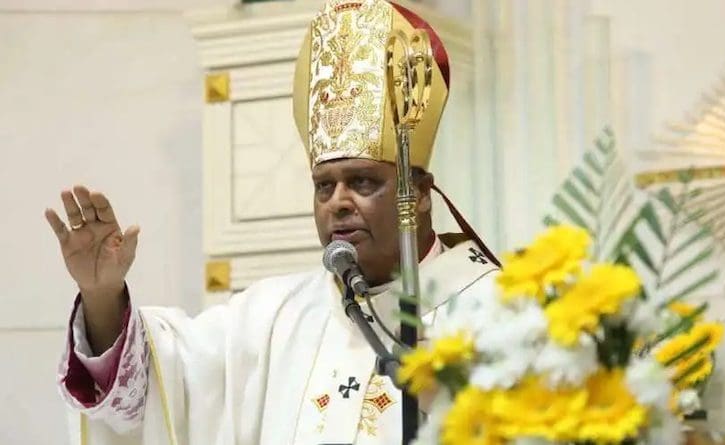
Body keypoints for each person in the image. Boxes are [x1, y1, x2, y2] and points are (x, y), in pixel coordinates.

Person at [46, 1, 499, 443]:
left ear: (418, 193)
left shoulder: (494, 311)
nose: (338, 202)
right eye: (324, 186)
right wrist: (102, 295)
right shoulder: (271, 318)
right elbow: (157, 386)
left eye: (361, 182)